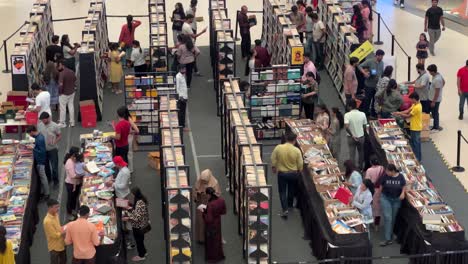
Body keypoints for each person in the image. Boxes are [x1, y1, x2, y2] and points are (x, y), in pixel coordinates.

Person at [271, 132, 303, 218]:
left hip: (282, 174)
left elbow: (273, 158)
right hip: (293, 174)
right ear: (294, 140)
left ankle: (285, 209)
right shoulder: (296, 150)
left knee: (282, 191)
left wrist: (274, 167)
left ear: (286, 139)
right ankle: (290, 205)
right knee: (291, 189)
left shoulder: (278, 148)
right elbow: (300, 164)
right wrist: (299, 170)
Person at [379, 164, 406, 247]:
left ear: (393, 171)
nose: (386, 173)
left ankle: (390, 234)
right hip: (386, 198)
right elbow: (381, 185)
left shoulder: (400, 177)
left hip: (396, 200)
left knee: (393, 218)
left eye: (388, 171)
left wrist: (402, 193)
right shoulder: (385, 176)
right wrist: (380, 195)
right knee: (388, 217)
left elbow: (403, 185)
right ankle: (388, 239)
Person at [123, 187, 150, 262]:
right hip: (142, 224)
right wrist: (130, 208)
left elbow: (137, 217)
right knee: (140, 241)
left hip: (138, 226)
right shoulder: (140, 200)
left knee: (139, 241)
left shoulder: (139, 203)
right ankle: (144, 252)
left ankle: (141, 256)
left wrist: (128, 218)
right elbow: (137, 212)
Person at [393, 92, 423, 161]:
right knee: (413, 142)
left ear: (414, 99)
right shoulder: (415, 104)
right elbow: (407, 111)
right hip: (413, 126)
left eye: (411, 99)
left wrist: (399, 114)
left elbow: (408, 115)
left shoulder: (417, 107)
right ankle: (414, 156)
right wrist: (399, 112)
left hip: (416, 127)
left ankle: (418, 158)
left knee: (416, 143)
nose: (410, 101)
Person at [194, 169, 221, 243]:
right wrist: (198, 193)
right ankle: (201, 238)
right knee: (200, 221)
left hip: (210, 204)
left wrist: (209, 195)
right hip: (200, 202)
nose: (204, 183)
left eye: (205, 181)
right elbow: (195, 190)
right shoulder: (200, 181)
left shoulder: (214, 183)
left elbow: (217, 194)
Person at [202, 187, 227, 263]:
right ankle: (219, 256)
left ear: (209, 195)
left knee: (211, 241)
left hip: (211, 226)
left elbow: (209, 219)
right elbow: (224, 212)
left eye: (207, 195)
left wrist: (203, 213)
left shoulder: (210, 205)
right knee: (217, 240)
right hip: (218, 222)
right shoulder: (221, 200)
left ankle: (212, 258)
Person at [359, 49, 385, 117]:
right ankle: (364, 114)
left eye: (382, 56)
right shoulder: (370, 61)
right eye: (381, 56)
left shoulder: (382, 63)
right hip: (369, 85)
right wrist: (364, 72)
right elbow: (360, 66)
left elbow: (381, 73)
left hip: (377, 86)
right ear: (377, 55)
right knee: (367, 99)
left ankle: (373, 114)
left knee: (375, 100)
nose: (382, 58)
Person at [38, 112, 62, 186]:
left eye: (44, 120)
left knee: (54, 166)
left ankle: (56, 181)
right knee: (46, 166)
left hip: (52, 149)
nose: (43, 121)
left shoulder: (55, 126)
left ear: (48, 118)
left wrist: (55, 141)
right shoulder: (40, 125)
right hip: (43, 150)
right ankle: (48, 179)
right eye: (42, 120)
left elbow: (59, 135)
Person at [27, 125, 49, 200]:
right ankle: (45, 192)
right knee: (42, 177)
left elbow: (42, 151)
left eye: (29, 133)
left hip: (41, 161)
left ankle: (47, 194)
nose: (29, 135)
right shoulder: (38, 137)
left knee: (43, 177)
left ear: (32, 132)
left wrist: (33, 148)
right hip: (39, 160)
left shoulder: (39, 139)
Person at [344, 99, 368, 169]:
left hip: (351, 138)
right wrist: (361, 132)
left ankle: (352, 168)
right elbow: (364, 126)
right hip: (361, 136)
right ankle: (360, 167)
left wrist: (352, 135)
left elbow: (346, 127)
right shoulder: (362, 114)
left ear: (349, 106)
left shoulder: (347, 115)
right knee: (361, 152)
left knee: (352, 154)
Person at [43, 199, 66, 264]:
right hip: (54, 247)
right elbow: (54, 235)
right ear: (50, 208)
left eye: (58, 207)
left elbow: (58, 227)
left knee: (63, 261)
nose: (58, 208)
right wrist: (63, 232)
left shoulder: (56, 215)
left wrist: (63, 228)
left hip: (61, 243)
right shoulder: (47, 221)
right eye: (56, 207)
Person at [365, 156, 385, 229]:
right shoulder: (382, 168)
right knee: (378, 208)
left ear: (371, 162)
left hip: (372, 190)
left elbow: (367, 181)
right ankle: (377, 224)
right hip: (381, 189)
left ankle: (371, 222)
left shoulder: (369, 170)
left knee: (372, 207)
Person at [57, 59, 77, 128]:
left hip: (64, 94)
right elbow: (75, 79)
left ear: (63, 65)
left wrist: (60, 92)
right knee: (71, 106)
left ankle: (62, 122)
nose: (58, 67)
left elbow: (60, 85)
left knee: (63, 108)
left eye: (59, 65)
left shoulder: (62, 74)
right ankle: (72, 122)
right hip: (72, 92)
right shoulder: (71, 72)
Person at [120, 107, 139, 174]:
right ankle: (126, 168)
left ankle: (130, 169)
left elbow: (137, 130)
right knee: (125, 154)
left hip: (128, 139)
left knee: (129, 154)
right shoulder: (122, 119)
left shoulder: (128, 119)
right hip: (123, 138)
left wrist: (129, 132)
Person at [64, 146, 81, 220]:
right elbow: (73, 176)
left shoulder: (73, 159)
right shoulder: (69, 163)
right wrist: (82, 175)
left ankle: (73, 209)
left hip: (75, 183)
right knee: (70, 199)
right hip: (70, 184)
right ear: (74, 154)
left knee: (74, 197)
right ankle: (69, 213)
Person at [185, 0, 202, 75]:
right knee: (193, 51)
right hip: (192, 28)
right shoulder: (189, 10)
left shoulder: (191, 9)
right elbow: (192, 18)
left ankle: (194, 68)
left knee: (193, 50)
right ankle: (194, 69)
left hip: (194, 27)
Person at [427, 64, 445, 131]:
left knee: (435, 113)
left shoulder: (437, 79)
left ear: (433, 71)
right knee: (434, 112)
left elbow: (437, 92)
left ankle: (436, 127)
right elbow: (444, 82)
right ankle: (435, 125)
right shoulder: (438, 75)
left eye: (430, 72)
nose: (429, 73)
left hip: (434, 100)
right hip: (432, 98)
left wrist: (433, 102)